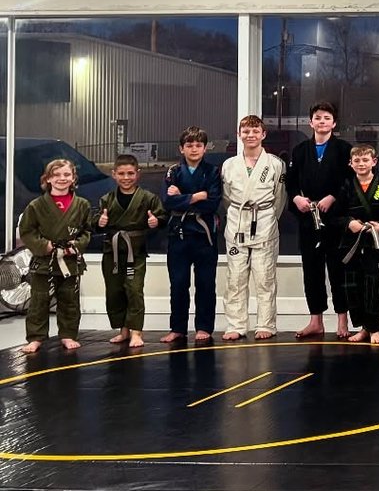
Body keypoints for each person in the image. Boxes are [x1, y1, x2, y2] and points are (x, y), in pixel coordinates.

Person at [287, 101, 354, 339]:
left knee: (338, 270)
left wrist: (333, 197)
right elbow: (291, 182)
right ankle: (315, 320)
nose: (322, 121)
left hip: (335, 219)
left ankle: (342, 320)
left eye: (327, 118)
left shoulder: (344, 149)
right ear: (311, 122)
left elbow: (350, 181)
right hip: (309, 218)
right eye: (318, 118)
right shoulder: (300, 150)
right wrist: (296, 198)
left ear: (334, 123)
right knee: (311, 271)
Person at [221, 115, 288, 341]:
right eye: (246, 131)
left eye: (255, 131)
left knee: (265, 278)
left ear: (263, 134)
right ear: (239, 134)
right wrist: (239, 214)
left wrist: (270, 218)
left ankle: (266, 324)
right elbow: (227, 198)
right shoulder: (229, 165)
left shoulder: (275, 164)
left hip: (265, 221)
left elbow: (279, 197)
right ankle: (236, 324)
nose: (250, 135)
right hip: (237, 222)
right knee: (235, 278)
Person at [18, 159, 92, 353]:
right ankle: (35, 337)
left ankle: (68, 335)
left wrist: (76, 246)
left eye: (67, 174)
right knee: (39, 300)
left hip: (70, 260)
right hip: (45, 261)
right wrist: (45, 246)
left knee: (70, 300)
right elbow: (27, 231)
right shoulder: (36, 205)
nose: (62, 178)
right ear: (48, 179)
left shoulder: (82, 205)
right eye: (56, 175)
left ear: (73, 178)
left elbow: (87, 231)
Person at [96, 154, 166, 349]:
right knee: (115, 291)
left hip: (135, 252)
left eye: (130, 173)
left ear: (138, 174)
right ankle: (123, 330)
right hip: (112, 252)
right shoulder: (106, 199)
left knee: (134, 290)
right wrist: (99, 222)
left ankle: (136, 331)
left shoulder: (148, 198)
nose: (126, 177)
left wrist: (156, 221)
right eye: (121, 174)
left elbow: (162, 217)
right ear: (114, 174)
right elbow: (94, 222)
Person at [330, 145, 379, 344]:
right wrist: (348, 223)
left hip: (375, 243)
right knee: (354, 286)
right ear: (350, 164)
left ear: (374, 162)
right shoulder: (346, 186)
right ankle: (363, 328)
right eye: (357, 161)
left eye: (365, 160)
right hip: (351, 244)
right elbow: (334, 216)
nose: (361, 164)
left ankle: (374, 328)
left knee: (373, 285)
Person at [161, 126, 222, 343]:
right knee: (178, 283)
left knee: (205, 283)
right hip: (178, 234)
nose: (194, 149)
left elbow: (212, 203)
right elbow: (168, 202)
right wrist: (196, 196)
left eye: (198, 145)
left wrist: (183, 196)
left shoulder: (213, 172)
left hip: (204, 234)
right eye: (189, 145)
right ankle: (177, 328)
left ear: (205, 148)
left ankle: (204, 327)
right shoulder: (173, 172)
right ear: (181, 148)